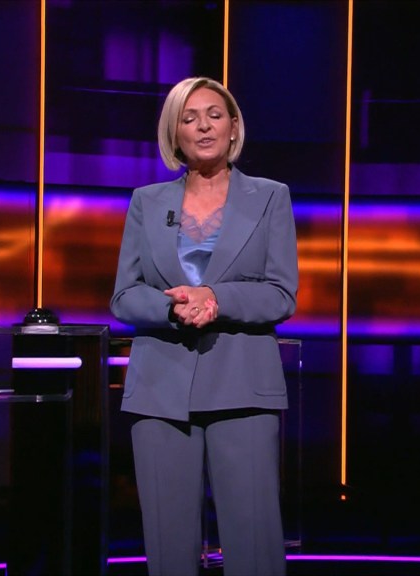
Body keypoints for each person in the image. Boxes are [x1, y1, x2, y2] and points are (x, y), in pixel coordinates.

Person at [110, 76, 298, 576]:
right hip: (159, 390)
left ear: (234, 126)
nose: (204, 126)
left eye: (215, 115)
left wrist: (216, 297)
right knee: (168, 546)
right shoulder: (147, 201)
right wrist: (173, 309)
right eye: (189, 118)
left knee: (254, 541)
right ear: (174, 134)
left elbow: (281, 293)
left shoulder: (270, 197)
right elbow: (124, 296)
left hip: (243, 386)